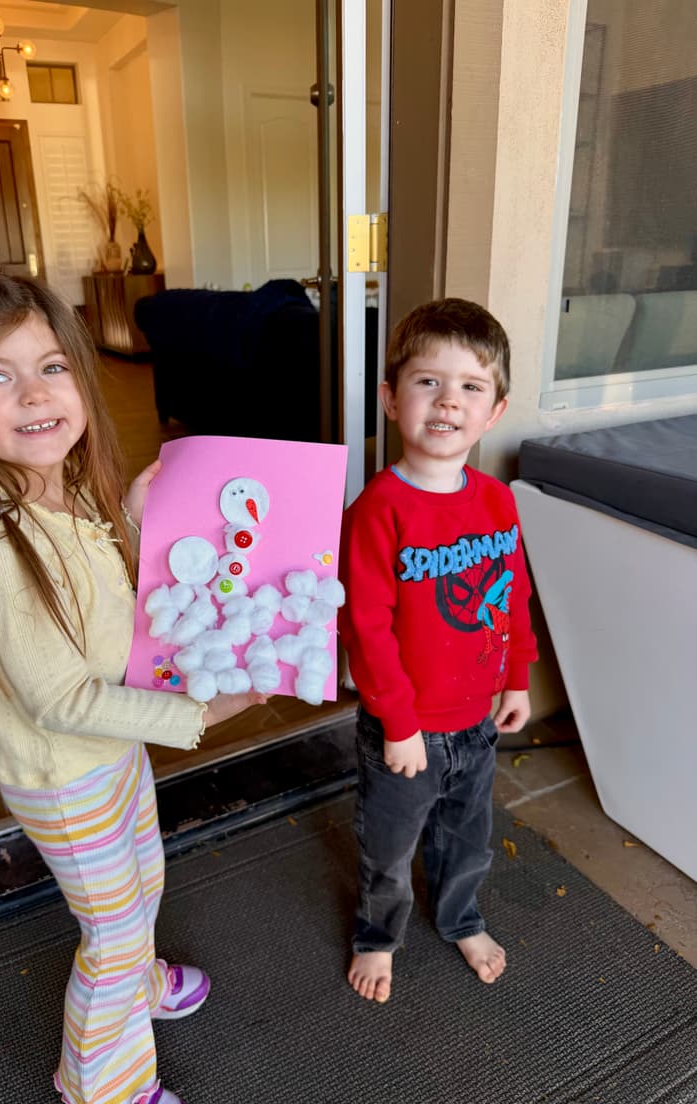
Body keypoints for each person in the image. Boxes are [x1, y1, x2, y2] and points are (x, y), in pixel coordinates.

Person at [0, 273, 266, 1104]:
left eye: (51, 367)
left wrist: (137, 515)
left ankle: (143, 981)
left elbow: (107, 594)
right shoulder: (0, 552)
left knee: (144, 878)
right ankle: (101, 1085)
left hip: (111, 755)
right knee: (108, 932)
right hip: (63, 775)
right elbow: (61, 701)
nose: (34, 393)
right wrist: (201, 713)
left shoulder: (63, 490)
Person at [338, 297, 538, 1003]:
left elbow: (510, 595)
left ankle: (460, 918)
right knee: (390, 851)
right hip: (404, 732)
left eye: (470, 387)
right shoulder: (376, 511)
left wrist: (516, 680)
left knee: (468, 839)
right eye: (428, 382)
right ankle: (377, 937)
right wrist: (398, 722)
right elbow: (366, 628)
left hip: (477, 722)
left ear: (495, 410)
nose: (448, 402)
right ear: (392, 399)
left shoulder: (496, 502)